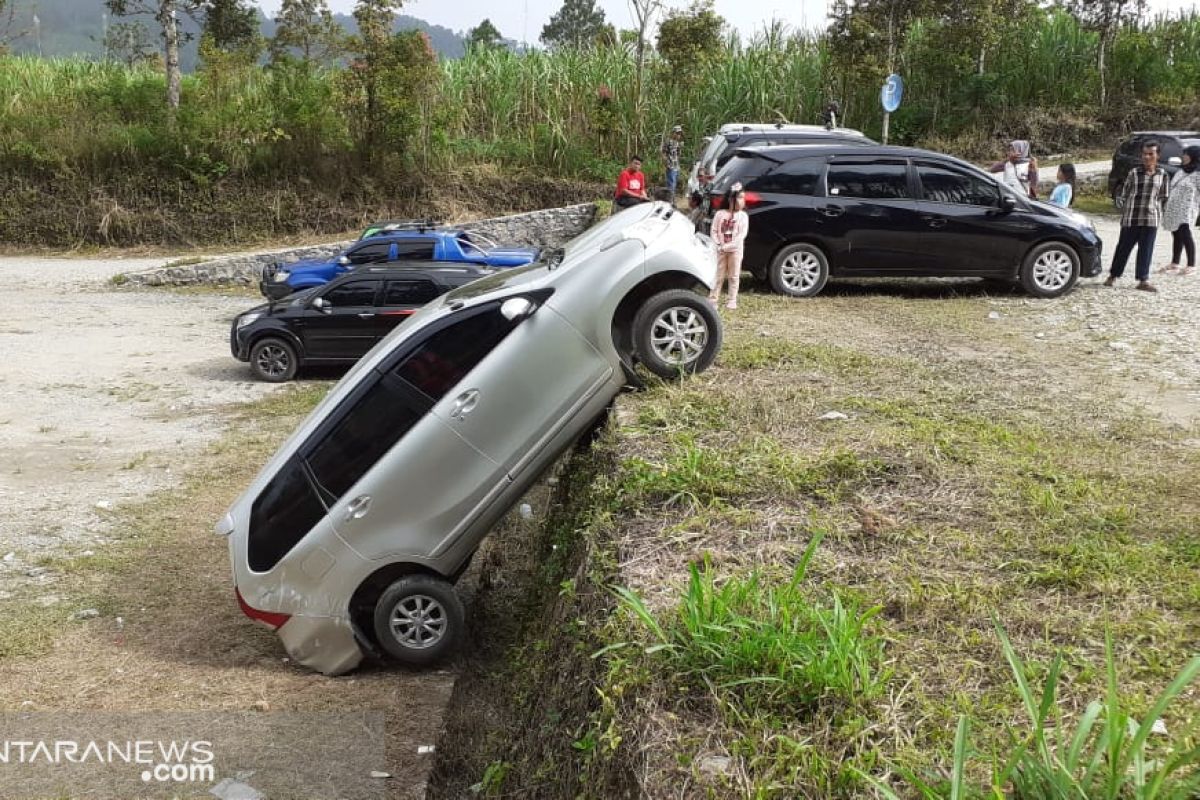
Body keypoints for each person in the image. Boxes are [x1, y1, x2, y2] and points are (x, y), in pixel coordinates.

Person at [1105, 140, 1170, 292]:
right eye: (1144, 154)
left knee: (1146, 250)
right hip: (1131, 218)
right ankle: (1113, 276)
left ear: (1157, 156)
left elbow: (1163, 197)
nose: (1147, 157)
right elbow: (1125, 193)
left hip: (1151, 219)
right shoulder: (1134, 173)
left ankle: (1143, 280)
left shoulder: (1163, 175)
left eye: (1151, 154)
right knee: (1123, 248)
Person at [1161, 145, 1200, 276]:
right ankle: (1175, 263)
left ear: (1194, 156)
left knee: (1185, 233)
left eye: (1186, 154)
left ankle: (1191, 265)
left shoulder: (1198, 174)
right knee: (1176, 234)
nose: (1183, 157)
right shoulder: (1181, 171)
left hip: (1187, 209)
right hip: (1174, 208)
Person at [709, 182, 749, 310]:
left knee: (734, 275)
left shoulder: (743, 216)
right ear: (731, 199)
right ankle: (713, 298)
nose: (742, 201)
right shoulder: (720, 214)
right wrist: (718, 244)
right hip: (720, 250)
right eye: (740, 197)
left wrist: (726, 247)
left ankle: (732, 299)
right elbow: (714, 230)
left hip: (735, 251)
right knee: (718, 275)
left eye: (743, 198)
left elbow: (741, 236)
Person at [661, 125, 683, 197]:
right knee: (671, 184)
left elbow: (678, 154)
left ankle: (671, 199)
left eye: (679, 133)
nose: (678, 135)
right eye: (677, 133)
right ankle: (670, 201)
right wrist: (666, 163)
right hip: (670, 166)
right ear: (673, 133)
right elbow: (663, 153)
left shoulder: (678, 143)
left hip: (676, 166)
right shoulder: (668, 141)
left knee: (674, 184)